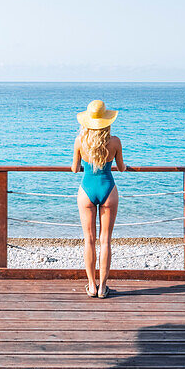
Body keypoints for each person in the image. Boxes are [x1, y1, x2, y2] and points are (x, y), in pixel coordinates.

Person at [71, 99, 125, 298]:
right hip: (108, 189)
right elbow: (121, 167)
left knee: (89, 240)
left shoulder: (80, 141)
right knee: (106, 241)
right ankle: (103, 288)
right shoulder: (115, 141)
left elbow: (75, 169)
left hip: (86, 190)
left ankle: (91, 286)